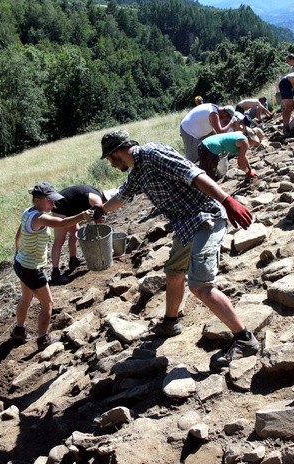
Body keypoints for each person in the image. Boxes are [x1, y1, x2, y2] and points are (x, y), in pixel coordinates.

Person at [93, 129, 259, 370]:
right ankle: (170, 323)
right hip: (185, 224)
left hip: (206, 217)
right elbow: (122, 196)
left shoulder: (152, 153)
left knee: (200, 286)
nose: (110, 163)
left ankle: (244, 339)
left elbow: (194, 174)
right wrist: (102, 211)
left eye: (109, 158)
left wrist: (227, 200)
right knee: (173, 273)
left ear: (116, 152)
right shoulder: (138, 171)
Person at [11, 182, 93, 346]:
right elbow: (62, 223)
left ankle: (19, 330)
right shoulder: (40, 218)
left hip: (21, 263)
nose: (53, 205)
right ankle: (43, 338)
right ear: (37, 200)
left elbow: (19, 233)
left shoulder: (27, 212)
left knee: (26, 298)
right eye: (50, 201)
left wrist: (17, 250)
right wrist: (82, 216)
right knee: (47, 303)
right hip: (32, 269)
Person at [50, 184, 116, 284]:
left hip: (70, 206)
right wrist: (105, 247)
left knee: (76, 232)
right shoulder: (97, 201)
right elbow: (98, 222)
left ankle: (73, 261)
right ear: (106, 200)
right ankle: (55, 274)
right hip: (60, 207)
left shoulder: (97, 194)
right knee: (59, 240)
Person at [198, 126, 264, 181]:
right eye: (256, 143)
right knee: (208, 176)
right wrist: (248, 172)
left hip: (205, 145)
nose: (255, 145)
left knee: (205, 173)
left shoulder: (240, 134)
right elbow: (240, 163)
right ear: (252, 138)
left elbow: (243, 156)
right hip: (209, 149)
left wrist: (249, 169)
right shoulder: (244, 142)